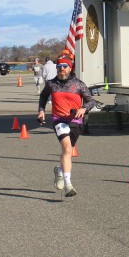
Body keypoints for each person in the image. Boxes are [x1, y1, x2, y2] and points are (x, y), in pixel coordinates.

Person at [37, 57, 95, 198]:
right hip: (59, 120)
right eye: (59, 66)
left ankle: (59, 170)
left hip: (75, 121)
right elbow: (43, 97)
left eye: (64, 66)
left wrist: (83, 109)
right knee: (67, 149)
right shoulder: (51, 84)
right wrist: (41, 111)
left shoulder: (78, 84)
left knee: (68, 152)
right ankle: (68, 186)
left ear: (70, 68)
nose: (61, 69)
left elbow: (91, 101)